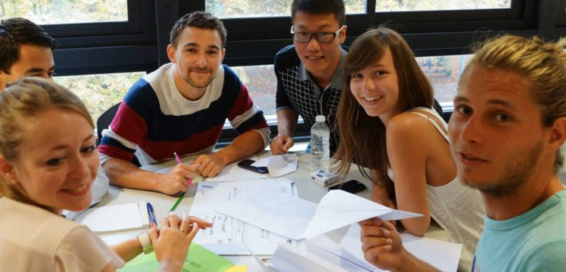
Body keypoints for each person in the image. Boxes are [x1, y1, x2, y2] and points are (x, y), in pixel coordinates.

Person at [360, 34, 566, 272]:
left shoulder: (551, 255)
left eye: (501, 117)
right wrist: (403, 262)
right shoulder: (508, 211)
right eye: (464, 109)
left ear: (555, 135)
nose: (468, 134)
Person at [0, 78, 212, 272]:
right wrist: (171, 261)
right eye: (55, 160)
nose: (83, 171)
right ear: (8, 168)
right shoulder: (69, 240)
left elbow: (82, 262)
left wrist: (148, 239)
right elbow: (72, 250)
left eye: (87, 148)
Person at [335, 27, 484, 271]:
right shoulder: (417, 115)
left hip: (472, 258)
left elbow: (416, 224)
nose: (367, 86)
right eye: (357, 76)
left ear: (403, 75)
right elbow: (382, 172)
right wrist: (381, 191)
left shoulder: (405, 127)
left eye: (380, 73)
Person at [98, 11, 270, 196]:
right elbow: (106, 161)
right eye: (191, 50)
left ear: (221, 56)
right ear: (172, 54)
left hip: (202, 180)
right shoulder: (145, 94)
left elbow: (260, 132)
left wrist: (222, 156)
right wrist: (160, 181)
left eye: (211, 52)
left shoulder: (227, 80)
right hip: (152, 178)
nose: (202, 62)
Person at [0, 18, 56, 195]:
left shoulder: (58, 117)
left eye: (50, 73)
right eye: (36, 75)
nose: (49, 85)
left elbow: (95, 178)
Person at [270, 0, 347, 155]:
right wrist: (283, 134)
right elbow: (286, 102)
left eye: (324, 34)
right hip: (317, 152)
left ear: (342, 35)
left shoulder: (361, 72)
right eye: (303, 34)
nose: (313, 47)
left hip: (364, 158)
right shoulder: (286, 63)